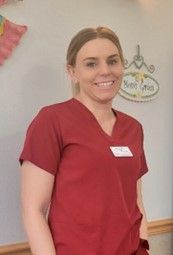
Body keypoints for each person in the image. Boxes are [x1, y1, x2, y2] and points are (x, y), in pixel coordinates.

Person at [19, 26, 149, 255]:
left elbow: (136, 200)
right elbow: (33, 209)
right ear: (72, 72)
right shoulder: (52, 120)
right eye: (91, 63)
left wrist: (144, 245)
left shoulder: (133, 128)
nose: (105, 71)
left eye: (112, 61)